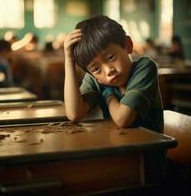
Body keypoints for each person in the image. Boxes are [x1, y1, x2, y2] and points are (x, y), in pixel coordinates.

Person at [64, 15, 164, 183]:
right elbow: (74, 114)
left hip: (148, 161)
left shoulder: (145, 68)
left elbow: (122, 119)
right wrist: (69, 60)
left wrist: (107, 92)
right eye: (96, 69)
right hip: (116, 154)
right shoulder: (96, 77)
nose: (108, 70)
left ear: (128, 45)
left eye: (111, 57)